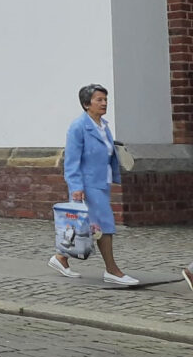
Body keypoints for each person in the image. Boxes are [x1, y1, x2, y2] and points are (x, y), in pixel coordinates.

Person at [50, 83, 138, 285]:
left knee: (88, 225)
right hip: (87, 184)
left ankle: (60, 258)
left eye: (105, 99)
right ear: (86, 104)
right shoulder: (78, 127)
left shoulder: (103, 125)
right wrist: (76, 187)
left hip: (101, 181)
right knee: (105, 225)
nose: (104, 103)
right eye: (99, 99)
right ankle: (112, 270)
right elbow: (71, 161)